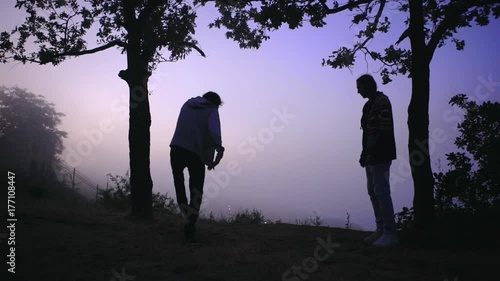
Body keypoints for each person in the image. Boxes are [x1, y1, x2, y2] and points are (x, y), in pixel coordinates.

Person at [170, 91, 224, 243]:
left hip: (176, 148)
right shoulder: (212, 110)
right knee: (196, 190)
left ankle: (184, 212)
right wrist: (217, 152)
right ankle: (190, 226)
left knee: (178, 182)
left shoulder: (188, 104)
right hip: (195, 153)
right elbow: (214, 131)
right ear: (216, 103)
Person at [356, 74, 399, 247]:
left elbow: (384, 129)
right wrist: (364, 153)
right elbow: (367, 133)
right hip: (371, 155)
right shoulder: (368, 105)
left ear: (367, 85)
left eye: (359, 87)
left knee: (381, 192)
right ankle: (381, 228)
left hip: (381, 154)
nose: (358, 91)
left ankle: (390, 232)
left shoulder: (382, 101)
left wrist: (374, 152)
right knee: (373, 192)